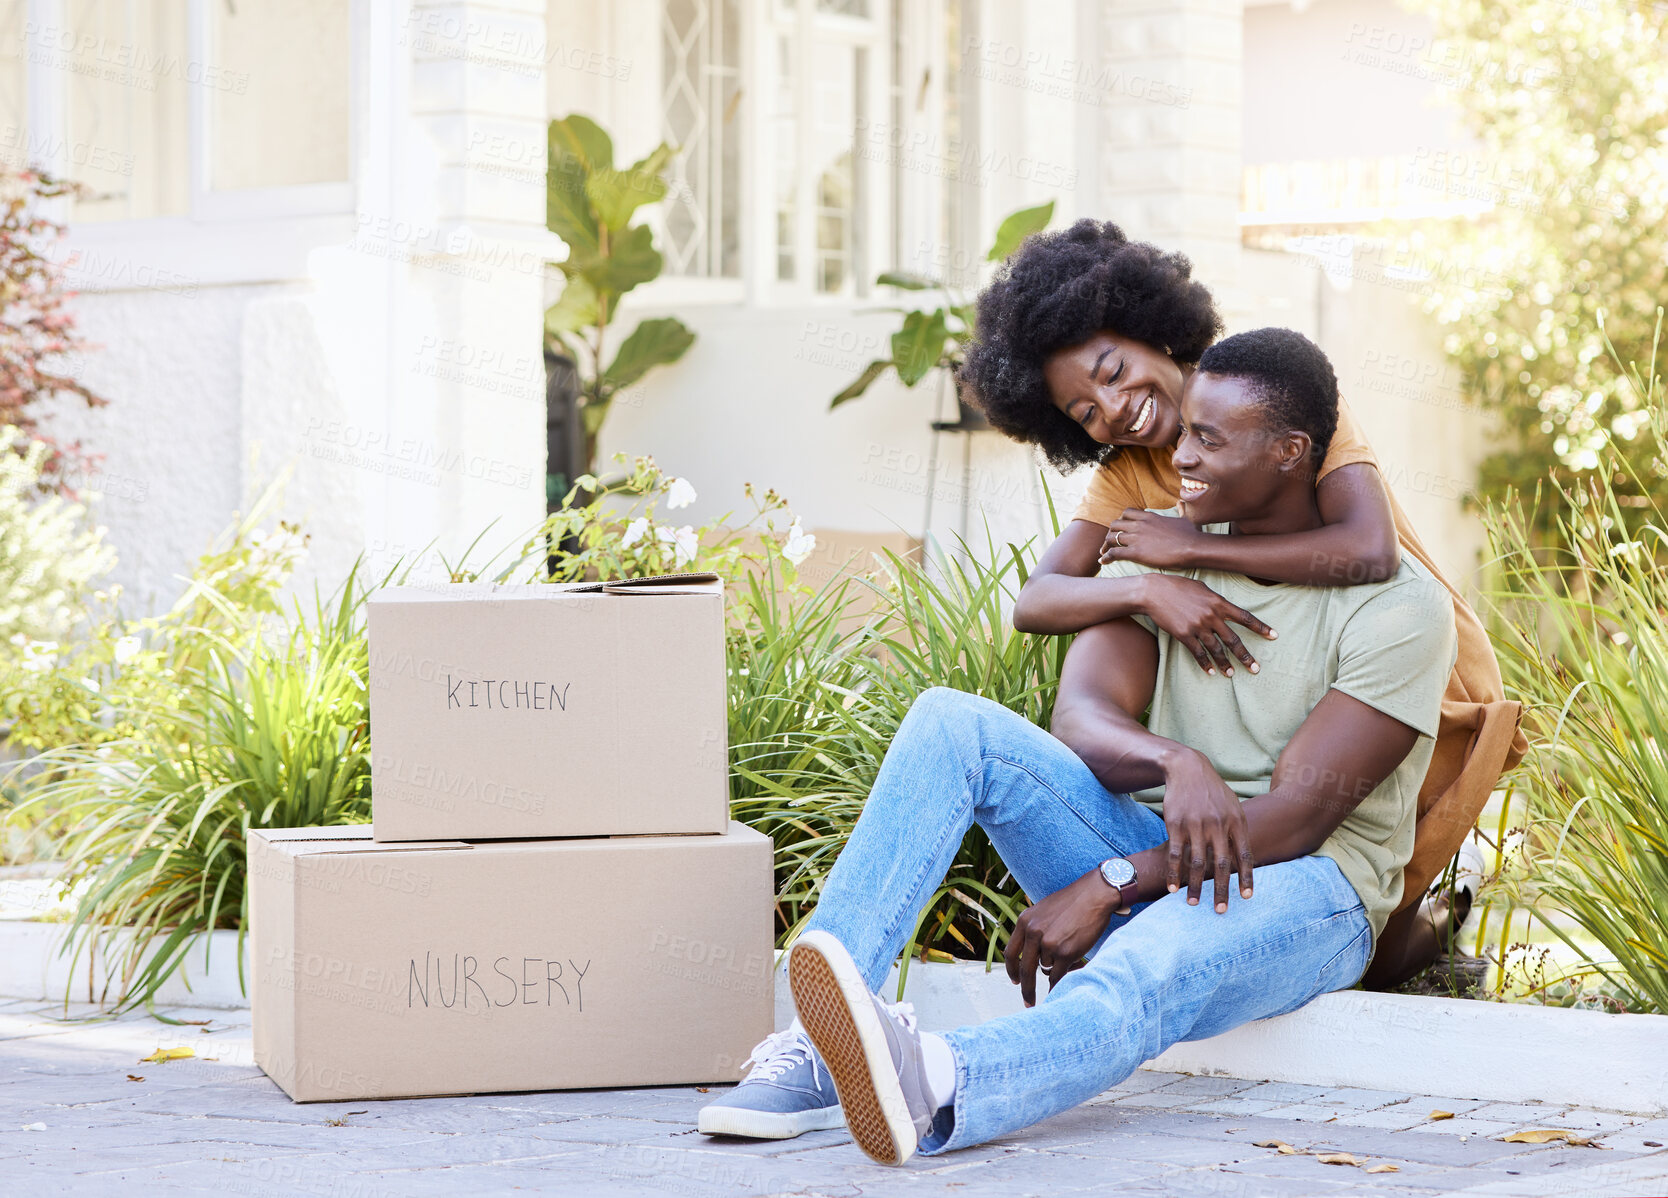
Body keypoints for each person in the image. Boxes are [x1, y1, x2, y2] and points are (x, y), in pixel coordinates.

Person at [701, 328, 1456, 1165]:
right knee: (954, 723)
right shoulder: (1160, 555)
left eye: (1208, 438)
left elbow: (1296, 819)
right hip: (1162, 846)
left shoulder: (1399, 607)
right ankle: (818, 1045)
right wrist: (1177, 761)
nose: (1182, 457)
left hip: (1309, 889)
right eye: (1185, 433)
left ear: (1289, 452)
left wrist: (1112, 882)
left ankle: (942, 1079)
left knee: (1154, 954)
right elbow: (1083, 721)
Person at [962, 219, 1522, 987]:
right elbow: (1037, 600)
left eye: (1113, 370)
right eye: (1085, 411)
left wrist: (1188, 549)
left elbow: (1364, 550)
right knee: (1313, 872)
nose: (1114, 407)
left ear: (1153, 329)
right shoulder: (1125, 475)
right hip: (1292, 680)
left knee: (1378, 903)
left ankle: (1438, 937)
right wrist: (1151, 587)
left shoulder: (1270, 400)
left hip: (1408, 667)